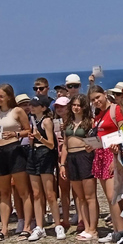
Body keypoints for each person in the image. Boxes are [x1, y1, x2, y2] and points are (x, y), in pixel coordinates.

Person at [0, 84, 33, 241]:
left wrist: (15, 133)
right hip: (0, 151)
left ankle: (27, 226)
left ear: (9, 96)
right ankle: (4, 228)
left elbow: (28, 130)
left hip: (15, 149)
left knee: (23, 191)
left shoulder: (17, 111)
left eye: (1, 96)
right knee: (4, 193)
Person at [89, 85, 123, 243]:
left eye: (98, 97)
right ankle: (117, 231)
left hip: (112, 154)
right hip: (100, 154)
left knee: (114, 196)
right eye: (93, 100)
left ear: (104, 94)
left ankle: (122, 233)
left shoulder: (115, 109)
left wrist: (115, 156)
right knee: (109, 197)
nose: (96, 101)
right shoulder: (98, 114)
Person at [59, 94, 99, 241]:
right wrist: (62, 164)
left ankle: (93, 229)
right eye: (74, 105)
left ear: (84, 107)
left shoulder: (90, 122)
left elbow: (97, 140)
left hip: (85, 157)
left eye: (79, 105)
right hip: (71, 158)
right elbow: (65, 144)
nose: (76, 108)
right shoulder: (68, 122)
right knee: (80, 197)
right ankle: (86, 225)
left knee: (90, 196)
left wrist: (92, 147)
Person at [26, 97, 65, 241]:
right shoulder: (32, 120)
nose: (32, 108)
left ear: (43, 107)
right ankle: (39, 226)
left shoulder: (46, 121)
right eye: (31, 105)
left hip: (45, 155)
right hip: (33, 155)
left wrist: (39, 138)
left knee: (50, 194)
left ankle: (57, 225)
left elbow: (51, 144)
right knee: (36, 193)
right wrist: (32, 141)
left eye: (35, 106)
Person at [52, 96, 72, 229]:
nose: (59, 109)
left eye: (62, 106)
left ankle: (81, 218)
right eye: (57, 107)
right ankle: (65, 218)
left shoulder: (73, 122)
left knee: (77, 191)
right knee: (63, 190)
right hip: (60, 158)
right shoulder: (55, 122)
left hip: (74, 156)